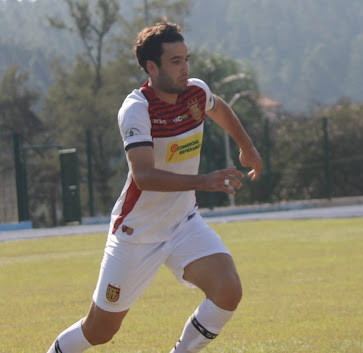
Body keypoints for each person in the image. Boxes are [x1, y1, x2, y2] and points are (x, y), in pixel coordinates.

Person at [46, 18, 263, 353]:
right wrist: (203, 181)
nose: (185, 68)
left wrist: (246, 147)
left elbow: (217, 107)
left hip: (183, 225)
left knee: (228, 290)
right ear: (152, 66)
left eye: (186, 59)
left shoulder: (195, 92)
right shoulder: (137, 109)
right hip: (136, 233)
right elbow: (143, 176)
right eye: (175, 62)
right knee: (99, 331)